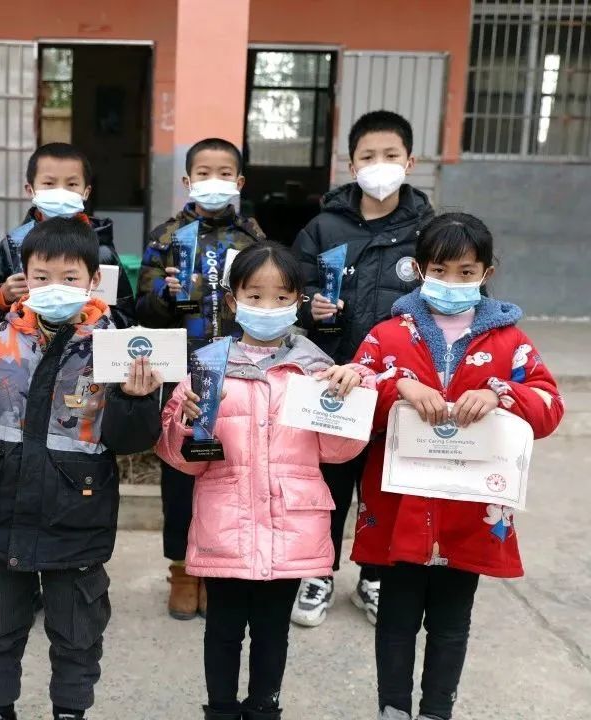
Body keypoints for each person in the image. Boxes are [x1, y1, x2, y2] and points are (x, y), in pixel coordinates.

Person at [0, 217, 163, 720]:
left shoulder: (120, 347)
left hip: (77, 513)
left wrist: (137, 399)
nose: (54, 286)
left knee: (78, 632)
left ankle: (70, 711)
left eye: (69, 277)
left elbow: (131, 440)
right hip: (0, 509)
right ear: (24, 277)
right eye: (41, 276)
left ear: (94, 279)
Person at [351, 213, 564, 720]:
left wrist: (501, 394)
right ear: (419, 269)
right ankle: (393, 709)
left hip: (469, 511)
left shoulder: (511, 343)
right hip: (399, 507)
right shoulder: (387, 336)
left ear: (487, 272)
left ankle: (436, 711)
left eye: (466, 271)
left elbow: (549, 406)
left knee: (451, 623)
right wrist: (397, 385)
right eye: (440, 270)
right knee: (396, 620)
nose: (452, 281)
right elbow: (349, 400)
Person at [156, 242, 373, 720]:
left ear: (298, 301)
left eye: (281, 297)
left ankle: (264, 709)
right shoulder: (206, 367)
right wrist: (187, 422)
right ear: (232, 300)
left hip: (290, 527)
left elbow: (338, 453)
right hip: (225, 526)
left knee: (273, 632)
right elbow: (183, 460)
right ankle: (220, 710)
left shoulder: (317, 371)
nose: (268, 307)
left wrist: (351, 394)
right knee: (223, 631)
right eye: (255, 296)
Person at [290, 110, 436, 628]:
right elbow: (292, 286)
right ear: (351, 166)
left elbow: (458, 295)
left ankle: (373, 575)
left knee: (385, 485)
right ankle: (318, 572)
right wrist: (309, 306)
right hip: (334, 376)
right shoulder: (323, 227)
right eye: (368, 156)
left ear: (410, 162)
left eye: (390, 155)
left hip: (401, 384)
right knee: (328, 483)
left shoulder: (429, 231)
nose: (379, 165)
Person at [136, 137, 266, 620]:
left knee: (228, 471)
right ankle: (182, 571)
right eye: (204, 173)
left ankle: (215, 569)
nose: (215, 181)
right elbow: (143, 310)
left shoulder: (254, 239)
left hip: (237, 371)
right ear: (188, 181)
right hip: (181, 374)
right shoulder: (167, 237)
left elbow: (268, 300)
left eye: (224, 173)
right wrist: (168, 297)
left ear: (239, 182)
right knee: (180, 474)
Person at [0, 142, 136, 331]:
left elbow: (124, 314)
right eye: (49, 184)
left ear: (86, 192)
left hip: (86, 345)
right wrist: (2, 296)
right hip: (26, 342)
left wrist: (93, 315)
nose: (60, 191)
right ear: (30, 190)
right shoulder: (14, 244)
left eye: (72, 184)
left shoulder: (102, 248)